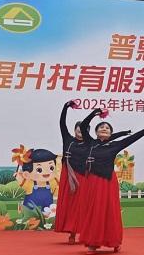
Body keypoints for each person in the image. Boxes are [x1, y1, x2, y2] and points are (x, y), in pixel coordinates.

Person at [79, 109, 144, 254]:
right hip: (92, 181)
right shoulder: (90, 142)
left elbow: (134, 137)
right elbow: (84, 125)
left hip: (107, 181)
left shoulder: (115, 145)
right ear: (96, 132)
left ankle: (114, 241)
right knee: (93, 211)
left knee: (110, 211)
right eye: (101, 127)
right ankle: (92, 242)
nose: (104, 129)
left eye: (107, 128)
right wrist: (93, 114)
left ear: (111, 133)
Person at [55, 102, 131, 244]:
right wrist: (65, 107)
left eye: (83, 129)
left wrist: (123, 133)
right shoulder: (68, 139)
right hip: (68, 176)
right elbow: (62, 123)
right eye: (77, 128)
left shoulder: (89, 143)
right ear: (74, 130)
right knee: (69, 205)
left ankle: (85, 233)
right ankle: (71, 233)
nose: (80, 130)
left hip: (84, 176)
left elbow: (108, 139)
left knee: (82, 206)